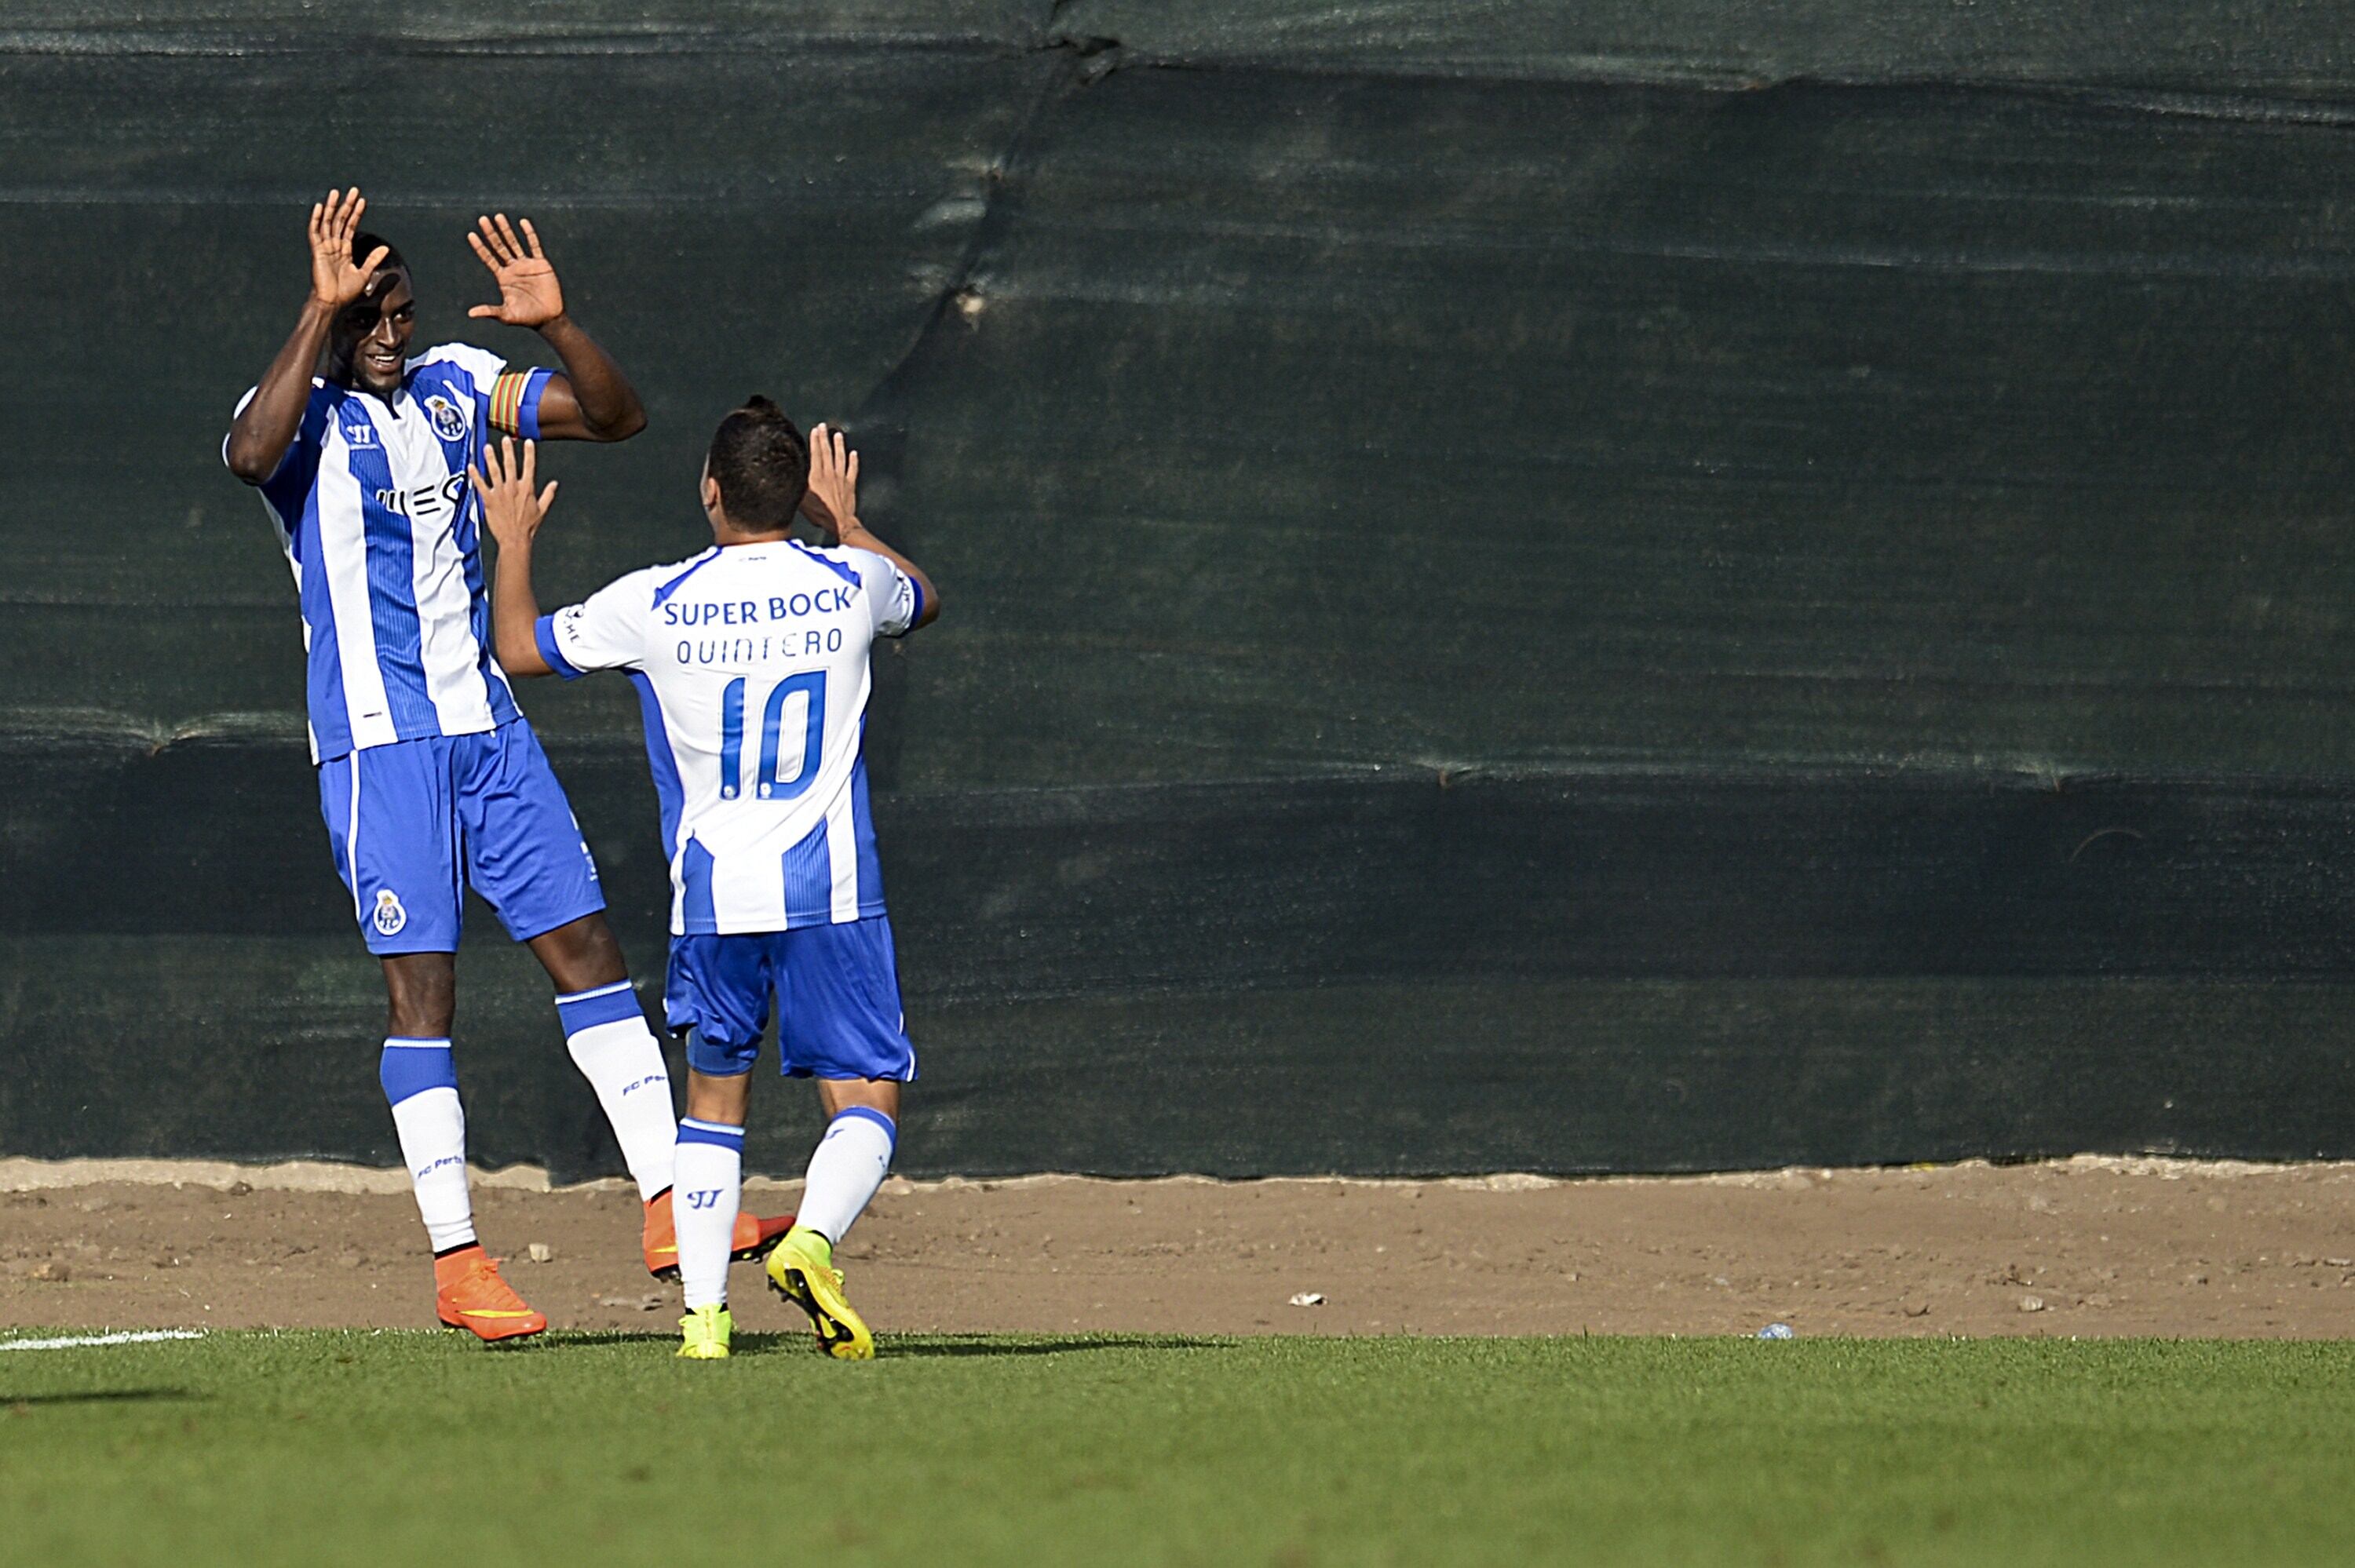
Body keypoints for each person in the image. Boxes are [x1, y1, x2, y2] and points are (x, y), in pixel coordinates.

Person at [221, 189, 785, 1344]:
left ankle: (673, 1204)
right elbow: (246, 455)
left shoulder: (459, 386)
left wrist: (559, 326)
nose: (391, 333)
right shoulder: (302, 413)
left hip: (489, 732)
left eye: (401, 313)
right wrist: (313, 311)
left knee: (588, 950)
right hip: (382, 749)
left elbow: (617, 419)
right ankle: (458, 1258)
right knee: (424, 993)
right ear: (331, 325)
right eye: (368, 318)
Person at [476, 403, 938, 1360]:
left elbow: (516, 646)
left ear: (710, 491)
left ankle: (704, 1319)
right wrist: (845, 522)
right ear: (797, 494)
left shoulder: (656, 599)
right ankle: (811, 1239)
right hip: (831, 896)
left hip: (715, 900)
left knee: (713, 1104)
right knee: (868, 1099)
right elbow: (923, 597)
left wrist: (513, 540)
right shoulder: (852, 581)